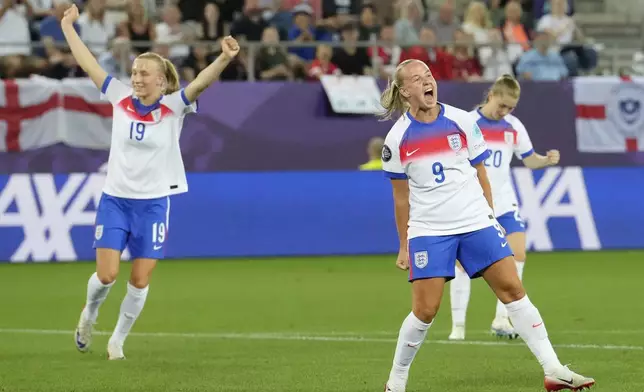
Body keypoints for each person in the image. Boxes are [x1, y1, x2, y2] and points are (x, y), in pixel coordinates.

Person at [379, 59, 594, 392]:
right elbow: (401, 198)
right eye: (418, 79)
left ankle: (553, 369)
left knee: (513, 290)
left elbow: (481, 172)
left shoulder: (462, 121)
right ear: (405, 91)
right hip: (430, 229)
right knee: (425, 310)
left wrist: (489, 215)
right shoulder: (397, 140)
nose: (427, 82)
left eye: (430, 76)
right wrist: (404, 244)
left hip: (476, 220)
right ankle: (396, 380)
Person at [60, 4, 240, 360]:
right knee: (107, 275)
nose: (137, 78)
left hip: (154, 203)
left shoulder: (174, 107)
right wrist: (68, 27)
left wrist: (224, 58)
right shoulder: (119, 96)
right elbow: (88, 63)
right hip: (116, 200)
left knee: (140, 280)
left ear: (161, 80)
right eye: (135, 72)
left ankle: (118, 341)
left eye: (144, 73)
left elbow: (200, 83)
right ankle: (89, 314)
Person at [448, 74, 561, 342]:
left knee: (518, 253)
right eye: (502, 105)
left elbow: (529, 161)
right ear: (491, 96)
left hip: (504, 200)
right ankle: (458, 327)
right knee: (463, 266)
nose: (505, 112)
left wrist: (545, 160)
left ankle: (501, 318)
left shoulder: (513, 126)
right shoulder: (467, 122)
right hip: (472, 202)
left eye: (510, 108)